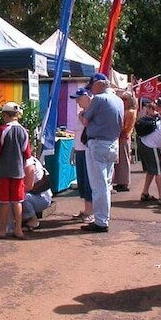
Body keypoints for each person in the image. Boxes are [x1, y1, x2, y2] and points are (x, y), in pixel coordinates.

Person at [78, 72, 123, 233]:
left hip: (98, 143)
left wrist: (82, 114)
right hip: (112, 143)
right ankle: (103, 218)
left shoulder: (99, 99)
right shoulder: (118, 100)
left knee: (99, 185)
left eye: (92, 87)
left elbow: (85, 120)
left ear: (98, 84)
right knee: (106, 183)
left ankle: (101, 221)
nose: (91, 91)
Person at [0, 101, 32, 240]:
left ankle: (2, 230)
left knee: (4, 201)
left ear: (5, 115)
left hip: (3, 171)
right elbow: (27, 154)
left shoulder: (1, 130)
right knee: (17, 201)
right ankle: (18, 230)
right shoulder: (24, 131)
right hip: (18, 172)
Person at [70, 87, 94, 222]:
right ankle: (87, 209)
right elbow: (77, 133)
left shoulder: (90, 114)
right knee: (82, 180)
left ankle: (91, 211)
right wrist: (73, 150)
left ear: (87, 97)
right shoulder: (81, 113)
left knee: (88, 181)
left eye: (79, 98)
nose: (77, 101)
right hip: (80, 150)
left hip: (88, 150)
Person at [21, 155, 53, 231]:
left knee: (20, 197)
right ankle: (24, 219)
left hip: (42, 198)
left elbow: (29, 187)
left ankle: (34, 221)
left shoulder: (29, 163)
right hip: (35, 195)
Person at [114, 91, 137, 192]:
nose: (123, 101)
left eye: (125, 99)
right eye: (122, 99)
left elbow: (125, 127)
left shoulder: (130, 112)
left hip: (124, 137)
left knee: (124, 161)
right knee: (120, 161)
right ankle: (120, 181)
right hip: (121, 137)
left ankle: (124, 182)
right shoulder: (125, 111)